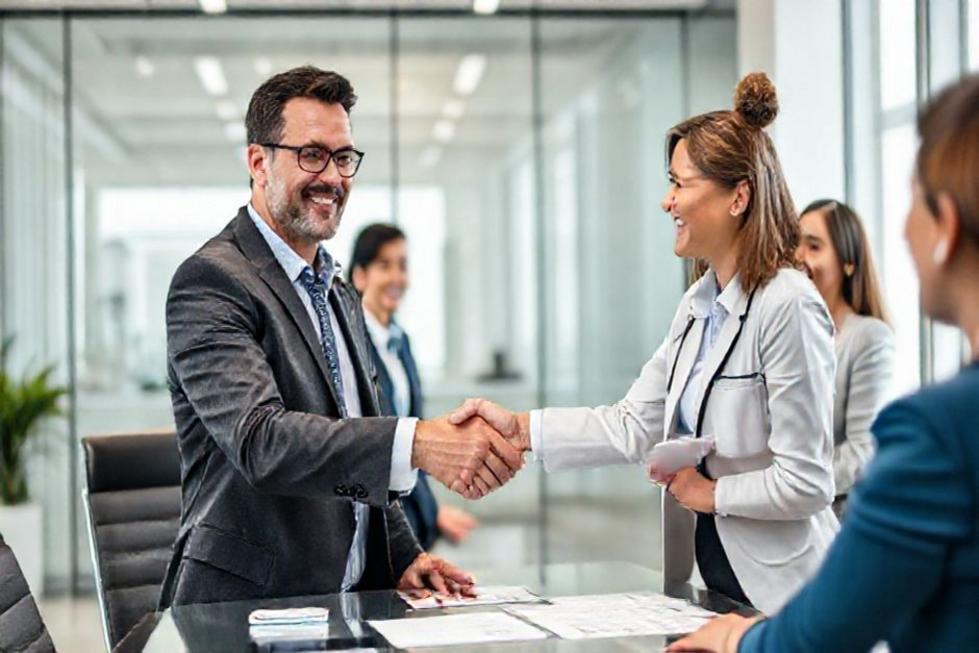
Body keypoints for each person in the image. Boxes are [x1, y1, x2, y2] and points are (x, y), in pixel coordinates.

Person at [450, 73, 837, 615]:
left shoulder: (787, 304)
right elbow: (632, 424)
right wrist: (521, 429)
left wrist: (710, 494)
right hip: (717, 586)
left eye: (681, 184)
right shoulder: (698, 305)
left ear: (738, 197)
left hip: (789, 597)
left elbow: (808, 482)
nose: (666, 201)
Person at [161, 66, 521, 606]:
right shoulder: (212, 281)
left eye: (344, 157)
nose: (332, 176)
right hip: (247, 609)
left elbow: (356, 437)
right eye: (312, 154)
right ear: (258, 162)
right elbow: (262, 441)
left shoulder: (336, 289)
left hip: (345, 604)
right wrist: (418, 443)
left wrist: (404, 556)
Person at [667, 73, 979, 653]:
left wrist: (739, 639)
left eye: (913, 201)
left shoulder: (937, 434)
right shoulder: (706, 303)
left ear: (947, 227)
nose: (902, 231)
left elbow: (824, 631)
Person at [349, 223, 479, 549]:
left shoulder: (401, 342)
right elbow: (371, 448)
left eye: (403, 266)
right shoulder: (349, 346)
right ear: (360, 276)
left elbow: (411, 444)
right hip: (374, 529)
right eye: (385, 265)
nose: (397, 277)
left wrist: (431, 512)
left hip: (411, 523)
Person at [796, 199, 894, 517]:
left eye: (813, 246)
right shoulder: (788, 334)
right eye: (795, 243)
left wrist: (793, 483)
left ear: (848, 263)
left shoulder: (868, 337)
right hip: (785, 523)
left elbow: (863, 453)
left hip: (838, 521)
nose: (798, 256)